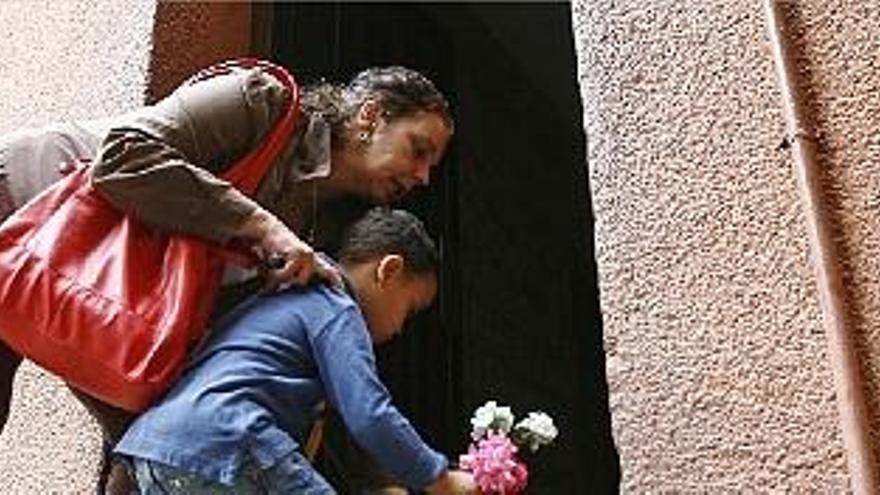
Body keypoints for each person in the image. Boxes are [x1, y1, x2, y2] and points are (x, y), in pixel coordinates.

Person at [0, 60, 454, 492]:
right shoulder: (260, 101)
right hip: (21, 211)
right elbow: (121, 158)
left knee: (156, 450)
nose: (424, 176)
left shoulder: (319, 224)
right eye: (419, 150)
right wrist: (262, 226)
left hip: (90, 298)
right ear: (371, 117)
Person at [114, 207, 474, 494]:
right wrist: (439, 479)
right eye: (408, 311)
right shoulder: (336, 307)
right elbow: (370, 414)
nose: (399, 330)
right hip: (228, 439)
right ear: (389, 270)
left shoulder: (286, 297)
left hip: (156, 452)